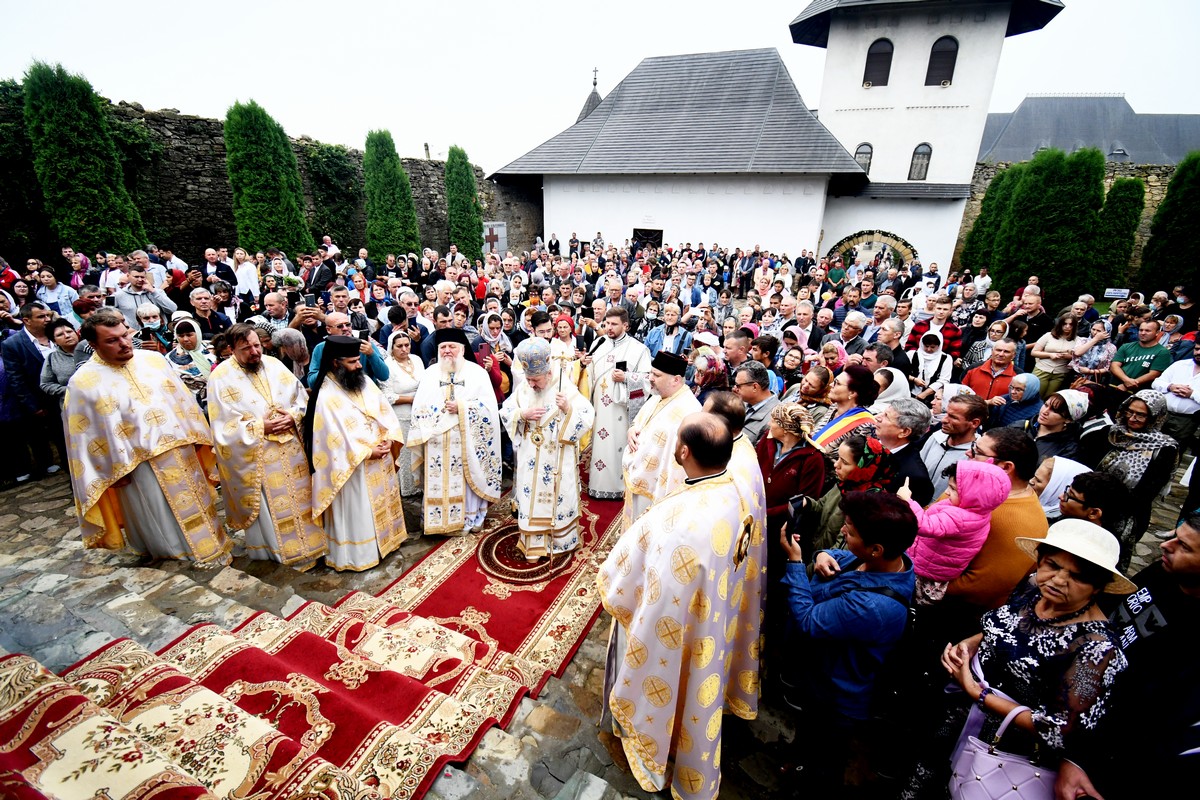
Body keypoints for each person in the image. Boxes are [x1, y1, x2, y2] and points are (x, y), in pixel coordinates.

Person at [598, 412, 766, 800]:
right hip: (713, 616)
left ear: (684, 451)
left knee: (674, 680)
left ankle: (659, 746)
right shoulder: (734, 484)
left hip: (679, 629)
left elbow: (646, 596)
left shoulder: (681, 521)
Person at [911, 520, 1132, 798]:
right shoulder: (1032, 587)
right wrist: (971, 643)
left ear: (1098, 587)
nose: (1058, 580)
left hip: (1002, 748)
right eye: (1052, 565)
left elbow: (1057, 732)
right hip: (954, 718)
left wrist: (977, 692)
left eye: (1078, 576)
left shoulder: (1097, 650)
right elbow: (1007, 626)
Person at [63, 310, 231, 564]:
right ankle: (174, 560)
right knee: (157, 515)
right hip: (135, 463)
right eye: (112, 341)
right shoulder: (83, 382)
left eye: (125, 335)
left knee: (198, 503)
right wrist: (107, 471)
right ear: (93, 345)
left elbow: (182, 400)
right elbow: (84, 435)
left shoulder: (154, 360)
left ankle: (214, 546)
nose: (123, 344)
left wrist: (198, 437)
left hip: (180, 450)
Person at [778, 491, 917, 794]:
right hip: (822, 678)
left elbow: (809, 621)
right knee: (808, 737)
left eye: (850, 531)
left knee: (823, 761)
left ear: (877, 549)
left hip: (836, 696)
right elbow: (839, 557)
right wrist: (821, 556)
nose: (843, 530)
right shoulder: (888, 562)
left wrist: (796, 562)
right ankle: (796, 764)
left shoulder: (871, 607)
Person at [1055, 514, 1200, 799]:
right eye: (1173, 535)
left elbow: (1145, 715)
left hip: (1092, 751)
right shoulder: (1162, 572)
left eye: (1184, 547)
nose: (1166, 546)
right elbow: (1101, 610)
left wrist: (1078, 759)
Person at [207, 324, 327, 571]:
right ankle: (281, 554)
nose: (254, 352)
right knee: (273, 508)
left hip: (292, 449)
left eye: (257, 345)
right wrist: (260, 426)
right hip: (258, 455)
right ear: (231, 350)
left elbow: (301, 399)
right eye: (246, 348)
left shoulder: (273, 365)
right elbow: (223, 427)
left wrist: (292, 416)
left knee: (304, 498)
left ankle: (316, 546)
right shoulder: (220, 378)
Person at [302, 334, 407, 571]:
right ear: (335, 363)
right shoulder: (326, 395)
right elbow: (329, 440)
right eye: (352, 362)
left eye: (358, 360)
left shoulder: (363, 381)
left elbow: (384, 411)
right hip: (353, 467)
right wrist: (366, 452)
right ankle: (360, 554)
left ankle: (388, 542)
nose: (359, 365)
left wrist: (389, 439)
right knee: (359, 510)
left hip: (380, 455)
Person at [940, 428, 1049, 630]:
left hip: (949, 617)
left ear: (1006, 467)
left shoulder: (1022, 524)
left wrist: (917, 581)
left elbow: (980, 587)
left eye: (977, 451)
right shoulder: (974, 486)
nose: (968, 453)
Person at [500, 338, 595, 560]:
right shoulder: (525, 387)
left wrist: (568, 409)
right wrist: (521, 415)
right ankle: (532, 542)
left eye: (536, 379)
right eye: (529, 379)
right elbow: (506, 410)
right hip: (530, 459)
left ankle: (559, 541)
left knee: (555, 499)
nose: (531, 384)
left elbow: (587, 416)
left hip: (556, 460)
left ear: (548, 373)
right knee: (531, 498)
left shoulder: (565, 388)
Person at [406, 328, 502, 535]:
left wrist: (462, 407)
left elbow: (488, 409)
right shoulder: (430, 373)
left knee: (466, 480)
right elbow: (419, 406)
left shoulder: (476, 373)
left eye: (452, 347)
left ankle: (467, 520)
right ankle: (438, 523)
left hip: (466, 438)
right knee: (437, 480)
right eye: (443, 347)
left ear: (462, 349)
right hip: (436, 440)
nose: (447, 351)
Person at [1078, 390, 1179, 568]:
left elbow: (1149, 489)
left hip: (1127, 513)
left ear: (1156, 416)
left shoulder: (1164, 448)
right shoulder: (1109, 433)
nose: (1133, 418)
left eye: (1141, 415)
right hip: (1090, 505)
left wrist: (1111, 505)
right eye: (1130, 411)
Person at [900, 460, 1011, 606]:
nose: (946, 492)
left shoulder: (962, 518)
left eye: (953, 489)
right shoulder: (975, 510)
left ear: (975, 495)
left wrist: (907, 500)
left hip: (926, 572)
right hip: (927, 560)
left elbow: (924, 525)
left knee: (906, 598)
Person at [621, 351, 701, 527]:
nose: (650, 378)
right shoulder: (658, 396)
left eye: (656, 375)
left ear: (676, 379)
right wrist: (632, 429)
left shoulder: (689, 411)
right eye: (650, 373)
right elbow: (640, 421)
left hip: (658, 488)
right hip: (641, 475)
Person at [584, 307, 651, 499]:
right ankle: (597, 484)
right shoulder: (599, 343)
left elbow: (649, 379)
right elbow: (588, 374)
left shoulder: (638, 349)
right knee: (599, 446)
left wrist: (628, 377)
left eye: (614, 324)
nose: (609, 328)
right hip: (599, 408)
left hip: (621, 411)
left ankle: (620, 487)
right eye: (606, 324)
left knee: (618, 446)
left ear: (626, 325)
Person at [2, 302, 63, 476]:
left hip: (65, 392)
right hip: (40, 398)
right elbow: (16, 378)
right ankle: (47, 463)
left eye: (47, 316)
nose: (46, 319)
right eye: (41, 317)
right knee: (43, 434)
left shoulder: (57, 333)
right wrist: (32, 405)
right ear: (27, 320)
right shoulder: (12, 344)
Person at [755, 403, 825, 540]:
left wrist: (766, 513)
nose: (769, 424)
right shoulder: (767, 440)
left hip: (780, 530)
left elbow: (803, 501)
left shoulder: (812, 459)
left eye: (774, 421)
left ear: (786, 428)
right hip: (754, 515)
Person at [379, 330, 425, 497]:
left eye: (407, 345)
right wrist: (411, 399)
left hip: (420, 413)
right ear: (392, 348)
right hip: (401, 415)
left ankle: (421, 484)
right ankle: (407, 488)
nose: (404, 349)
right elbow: (386, 396)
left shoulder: (417, 360)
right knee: (405, 452)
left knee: (419, 449)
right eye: (400, 346)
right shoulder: (388, 366)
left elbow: (425, 382)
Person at [920, 391, 987, 499]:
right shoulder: (936, 437)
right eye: (946, 414)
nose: (944, 420)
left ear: (974, 423)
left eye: (953, 417)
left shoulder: (977, 455)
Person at [875, 398, 935, 507]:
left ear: (905, 432)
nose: (878, 417)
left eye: (886, 416)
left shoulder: (914, 476)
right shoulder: (869, 443)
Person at [810, 365, 878, 452]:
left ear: (852, 393)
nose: (831, 385)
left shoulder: (865, 425)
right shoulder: (834, 408)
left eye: (837, 383)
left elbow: (852, 460)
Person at [1014, 388, 1088, 462]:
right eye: (1046, 405)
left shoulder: (1068, 450)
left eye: (1054, 410)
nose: (1045, 411)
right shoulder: (1021, 426)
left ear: (1069, 419)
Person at [1151, 339, 1200, 447]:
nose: (1198, 352)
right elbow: (1156, 383)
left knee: (1174, 450)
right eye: (1197, 349)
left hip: (1187, 420)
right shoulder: (1179, 365)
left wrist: (1192, 394)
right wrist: (1170, 387)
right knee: (1151, 447)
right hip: (1162, 414)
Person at [1029, 314, 1081, 397]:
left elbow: (1078, 357)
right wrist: (1050, 354)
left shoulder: (1077, 340)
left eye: (1071, 324)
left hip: (1060, 372)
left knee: (1049, 397)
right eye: (1065, 324)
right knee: (1035, 394)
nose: (1067, 327)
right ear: (1060, 324)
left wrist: (1066, 356)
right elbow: (1034, 352)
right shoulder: (1048, 336)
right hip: (1042, 369)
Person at [1029, 456, 1090, 524]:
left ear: (1056, 488)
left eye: (1038, 481)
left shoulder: (1053, 522)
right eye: (1034, 477)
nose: (1031, 481)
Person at [733, 361, 780, 446]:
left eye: (738, 385)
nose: (735, 389)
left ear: (755, 387)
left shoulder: (773, 420)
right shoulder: (744, 402)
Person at [38, 318, 82, 409]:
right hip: (73, 407)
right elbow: (46, 384)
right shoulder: (52, 358)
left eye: (69, 332)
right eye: (60, 335)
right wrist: (69, 391)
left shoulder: (92, 349)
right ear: (54, 341)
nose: (67, 336)